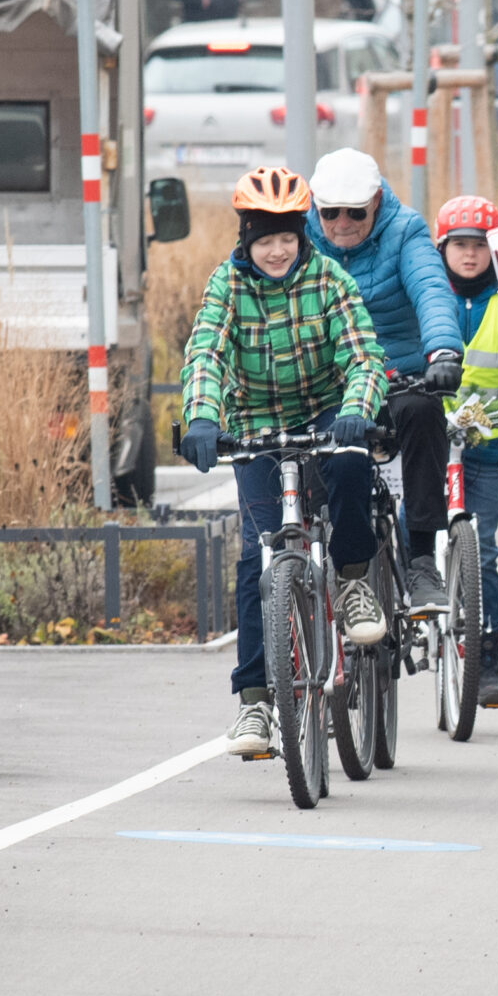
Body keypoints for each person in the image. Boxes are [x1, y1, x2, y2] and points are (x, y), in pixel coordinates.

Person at [179, 166, 388, 757]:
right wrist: (202, 417)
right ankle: (254, 703)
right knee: (258, 556)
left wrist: (356, 410)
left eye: (287, 238)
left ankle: (353, 580)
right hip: (255, 424)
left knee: (349, 464)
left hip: (326, 411)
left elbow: (363, 356)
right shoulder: (228, 285)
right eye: (265, 239)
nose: (277, 251)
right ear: (246, 239)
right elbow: (205, 353)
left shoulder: (329, 279)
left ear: (302, 237)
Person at [304, 149, 465, 605]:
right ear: (315, 206)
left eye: (355, 212)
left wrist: (443, 351)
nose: (342, 223)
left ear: (376, 201)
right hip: (329, 385)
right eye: (330, 212)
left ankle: (422, 560)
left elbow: (431, 290)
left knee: (422, 412)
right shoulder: (297, 239)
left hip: (397, 373)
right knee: (314, 443)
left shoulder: (405, 230)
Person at [433, 195, 498, 707]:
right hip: (428, 443)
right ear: (442, 248)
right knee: (409, 534)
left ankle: (487, 662)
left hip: (484, 447)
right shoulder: (425, 295)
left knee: (482, 552)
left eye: (480, 245)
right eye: (460, 245)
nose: (470, 255)